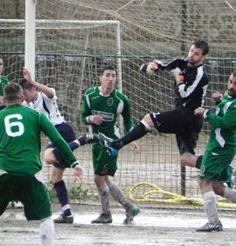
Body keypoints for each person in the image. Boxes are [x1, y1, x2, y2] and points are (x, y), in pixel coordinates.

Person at [0, 82, 85, 246]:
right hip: (30, 173)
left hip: (3, 172)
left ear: (4, 100)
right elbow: (58, 140)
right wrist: (74, 163)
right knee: (45, 216)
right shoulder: (36, 115)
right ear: (22, 98)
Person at [99, 39, 209, 169]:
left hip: (189, 115)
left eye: (196, 54)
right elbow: (163, 65)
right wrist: (151, 66)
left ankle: (116, 145)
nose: (191, 55)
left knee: (149, 119)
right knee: (186, 158)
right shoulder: (182, 63)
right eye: (191, 51)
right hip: (183, 115)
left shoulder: (201, 75)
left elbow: (185, 95)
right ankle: (220, 169)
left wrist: (179, 79)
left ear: (203, 57)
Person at [193, 71, 236, 232]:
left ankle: (214, 222)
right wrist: (218, 102)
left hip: (221, 148)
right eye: (230, 82)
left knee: (203, 182)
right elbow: (224, 110)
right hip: (217, 146)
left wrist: (205, 113)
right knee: (215, 186)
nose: (231, 86)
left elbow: (225, 123)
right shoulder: (227, 96)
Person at [19, 67, 81, 224]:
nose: (24, 98)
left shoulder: (44, 96)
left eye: (25, 94)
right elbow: (8, 102)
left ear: (33, 89)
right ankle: (67, 213)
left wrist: (33, 81)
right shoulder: (29, 105)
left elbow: (51, 93)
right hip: (56, 136)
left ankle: (83, 140)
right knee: (55, 177)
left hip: (62, 131)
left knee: (47, 157)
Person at [81, 65, 140, 225]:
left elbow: (129, 122)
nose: (111, 79)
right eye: (107, 75)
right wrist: (90, 119)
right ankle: (129, 207)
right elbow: (83, 116)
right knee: (104, 178)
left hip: (111, 143)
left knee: (98, 178)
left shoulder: (121, 99)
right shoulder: (90, 95)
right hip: (95, 141)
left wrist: (132, 138)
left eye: (113, 76)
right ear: (101, 78)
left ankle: (106, 214)